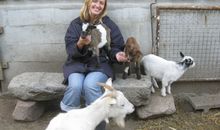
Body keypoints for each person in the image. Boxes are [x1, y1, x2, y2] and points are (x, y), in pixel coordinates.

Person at [60, 0, 128, 129]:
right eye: (95, 1)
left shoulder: (109, 24)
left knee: (91, 85)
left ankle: (97, 125)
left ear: (104, 7)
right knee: (75, 86)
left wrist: (117, 55)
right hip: (76, 64)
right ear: (88, 3)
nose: (98, 5)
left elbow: (116, 46)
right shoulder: (76, 24)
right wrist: (80, 43)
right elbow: (70, 50)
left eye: (101, 3)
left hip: (99, 64)